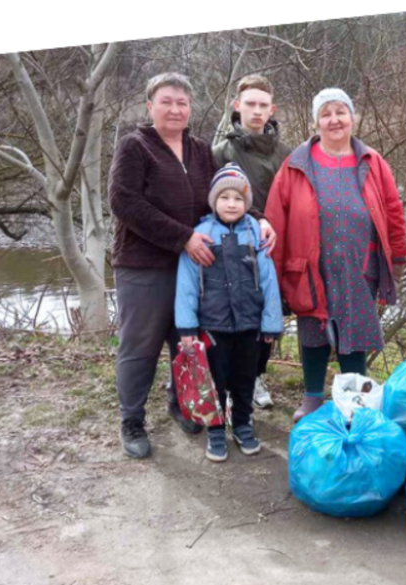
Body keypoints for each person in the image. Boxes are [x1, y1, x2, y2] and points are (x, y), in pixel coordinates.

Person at [108, 72, 275, 458]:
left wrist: (258, 218)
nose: (175, 109)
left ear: (190, 108)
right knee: (140, 345)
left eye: (182, 103)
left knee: (186, 343)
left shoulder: (200, 149)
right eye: (166, 101)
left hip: (199, 267)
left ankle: (180, 403)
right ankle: (131, 420)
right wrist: (182, 237)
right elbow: (124, 201)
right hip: (145, 264)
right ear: (150, 106)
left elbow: (222, 198)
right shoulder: (135, 146)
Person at [265, 88, 406, 422]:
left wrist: (397, 258)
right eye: (326, 113)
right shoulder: (296, 164)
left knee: (355, 332)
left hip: (361, 264)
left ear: (352, 117)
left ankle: (356, 397)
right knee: (313, 329)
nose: (334, 120)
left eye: (340, 112)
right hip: (312, 264)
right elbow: (276, 216)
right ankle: (313, 397)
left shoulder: (373, 161)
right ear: (316, 121)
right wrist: (275, 269)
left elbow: (392, 210)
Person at [174, 165, 282, 461]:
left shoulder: (255, 234)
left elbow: (270, 281)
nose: (231, 203)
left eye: (238, 197)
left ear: (246, 203)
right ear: (213, 201)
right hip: (213, 325)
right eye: (225, 197)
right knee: (216, 381)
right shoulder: (201, 235)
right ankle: (216, 429)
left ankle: (244, 423)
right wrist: (186, 328)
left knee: (246, 378)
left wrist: (271, 324)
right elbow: (186, 284)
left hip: (250, 326)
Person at [212, 74, 293, 410]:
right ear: (237, 106)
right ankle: (227, 385)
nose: (257, 111)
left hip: (277, 247)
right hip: (233, 250)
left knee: (269, 316)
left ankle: (256, 375)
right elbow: (213, 201)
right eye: (250, 104)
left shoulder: (288, 154)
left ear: (272, 109)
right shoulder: (220, 152)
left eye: (263, 105)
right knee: (234, 318)